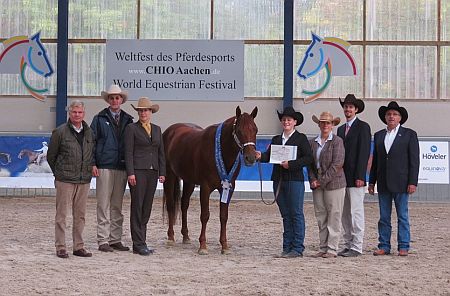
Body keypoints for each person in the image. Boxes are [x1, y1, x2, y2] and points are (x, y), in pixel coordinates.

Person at [255, 106, 313, 258]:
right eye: (284, 119)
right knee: (286, 215)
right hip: (279, 179)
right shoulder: (276, 139)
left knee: (296, 214)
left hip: (294, 180)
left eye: (289, 119)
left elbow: (308, 158)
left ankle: (297, 247)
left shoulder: (301, 139)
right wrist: (261, 155)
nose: (286, 122)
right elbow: (271, 156)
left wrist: (291, 164)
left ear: (295, 122)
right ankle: (287, 246)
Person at [368, 101, 419, 257]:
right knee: (384, 217)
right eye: (389, 114)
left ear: (400, 118)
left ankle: (403, 245)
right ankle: (384, 245)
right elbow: (375, 161)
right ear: (385, 117)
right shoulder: (378, 135)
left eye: (395, 114)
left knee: (402, 215)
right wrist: (372, 181)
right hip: (383, 182)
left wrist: (412, 182)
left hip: (402, 182)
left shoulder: (410, 134)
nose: (392, 116)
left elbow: (414, 160)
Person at [47, 100, 95, 259]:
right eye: (74, 112)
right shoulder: (59, 132)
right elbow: (51, 156)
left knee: (80, 215)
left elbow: (91, 154)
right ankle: (61, 246)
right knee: (61, 214)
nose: (77, 115)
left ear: (84, 113)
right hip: (65, 180)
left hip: (83, 180)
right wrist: (59, 173)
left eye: (80, 112)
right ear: (69, 113)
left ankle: (78, 246)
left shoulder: (89, 132)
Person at [91, 84, 134, 252]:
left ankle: (115, 238)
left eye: (118, 97)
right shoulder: (99, 118)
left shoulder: (128, 120)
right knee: (103, 204)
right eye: (112, 97)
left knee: (117, 205)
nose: (115, 100)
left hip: (121, 166)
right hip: (104, 166)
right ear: (108, 100)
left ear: (121, 100)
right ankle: (103, 240)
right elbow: (92, 142)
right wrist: (93, 163)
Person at [124, 97, 166, 256]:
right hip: (138, 171)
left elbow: (160, 152)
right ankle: (138, 243)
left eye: (146, 110)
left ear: (151, 112)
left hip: (152, 171)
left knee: (147, 207)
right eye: (141, 110)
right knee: (137, 206)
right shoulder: (131, 129)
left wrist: (162, 172)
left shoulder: (157, 129)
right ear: (138, 112)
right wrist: (131, 172)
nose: (143, 113)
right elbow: (128, 152)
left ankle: (143, 241)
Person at [336, 94, 372, 257]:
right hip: (343, 177)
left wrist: (361, 176)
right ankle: (348, 242)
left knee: (356, 212)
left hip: (356, 177)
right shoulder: (340, 129)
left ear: (356, 109)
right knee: (344, 213)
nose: (347, 109)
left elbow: (364, 152)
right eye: (346, 107)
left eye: (350, 107)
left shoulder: (363, 127)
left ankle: (357, 246)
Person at [308, 111, 346, 258]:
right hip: (317, 184)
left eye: (328, 123)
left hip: (334, 184)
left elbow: (337, 165)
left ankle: (332, 248)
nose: (325, 125)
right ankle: (323, 246)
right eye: (322, 122)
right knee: (321, 215)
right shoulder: (312, 142)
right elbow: (310, 164)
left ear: (332, 125)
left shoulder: (337, 141)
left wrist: (321, 181)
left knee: (334, 215)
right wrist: (312, 179)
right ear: (319, 124)